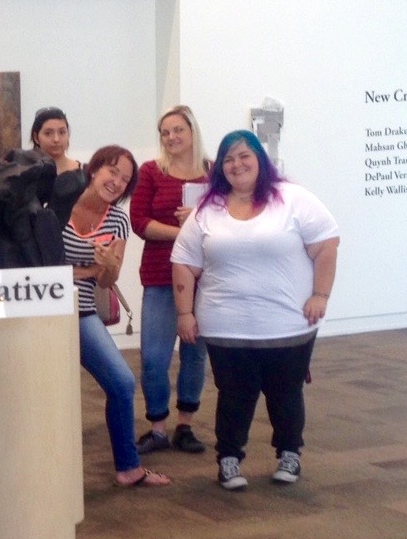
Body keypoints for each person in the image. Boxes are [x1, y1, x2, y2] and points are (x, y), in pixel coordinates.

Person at [171, 130, 339, 490]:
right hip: (225, 327)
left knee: (286, 394)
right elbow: (183, 261)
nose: (237, 165)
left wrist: (320, 294)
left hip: (288, 325)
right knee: (234, 396)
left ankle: (289, 454)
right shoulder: (207, 210)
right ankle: (229, 460)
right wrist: (185, 313)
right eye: (229, 159)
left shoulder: (293, 199)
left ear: (260, 159)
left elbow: (327, 244)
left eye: (244, 156)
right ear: (220, 167)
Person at [65, 145, 172, 489]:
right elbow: (39, 264)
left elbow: (106, 280)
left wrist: (107, 267)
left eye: (125, 179)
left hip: (82, 310)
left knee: (122, 383)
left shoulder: (118, 220)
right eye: (112, 171)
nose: (116, 182)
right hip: (43, 308)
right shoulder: (60, 203)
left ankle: (129, 468)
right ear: (94, 169)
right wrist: (87, 269)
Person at [131, 106, 211, 455]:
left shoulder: (213, 172)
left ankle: (185, 426)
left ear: (192, 131)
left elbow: (231, 217)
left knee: (195, 355)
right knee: (153, 356)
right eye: (165, 132)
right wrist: (183, 232)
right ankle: (158, 428)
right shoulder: (151, 171)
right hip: (160, 276)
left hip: (205, 278)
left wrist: (200, 217)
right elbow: (139, 221)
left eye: (178, 130)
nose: (171, 137)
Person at [29, 107, 87, 226]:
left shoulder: (84, 173)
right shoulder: (27, 172)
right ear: (36, 137)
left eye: (62, 132)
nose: (56, 139)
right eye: (48, 133)